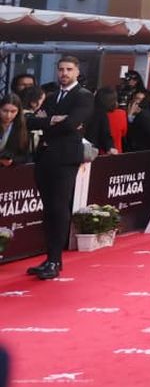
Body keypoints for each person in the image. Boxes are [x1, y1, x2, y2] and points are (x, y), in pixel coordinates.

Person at [24, 56, 93, 281]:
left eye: (69, 69)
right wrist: (53, 120)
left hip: (65, 159)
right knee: (48, 208)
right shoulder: (52, 96)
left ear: (77, 71)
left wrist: (49, 122)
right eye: (61, 69)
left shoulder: (83, 96)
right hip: (45, 158)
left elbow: (71, 124)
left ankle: (54, 260)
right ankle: (51, 258)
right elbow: (31, 122)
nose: (64, 73)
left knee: (58, 207)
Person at [0, 97, 34, 167]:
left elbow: (25, 156)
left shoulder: (22, 128)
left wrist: (12, 161)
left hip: (10, 169)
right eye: (5, 111)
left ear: (18, 111)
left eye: (13, 111)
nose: (8, 115)